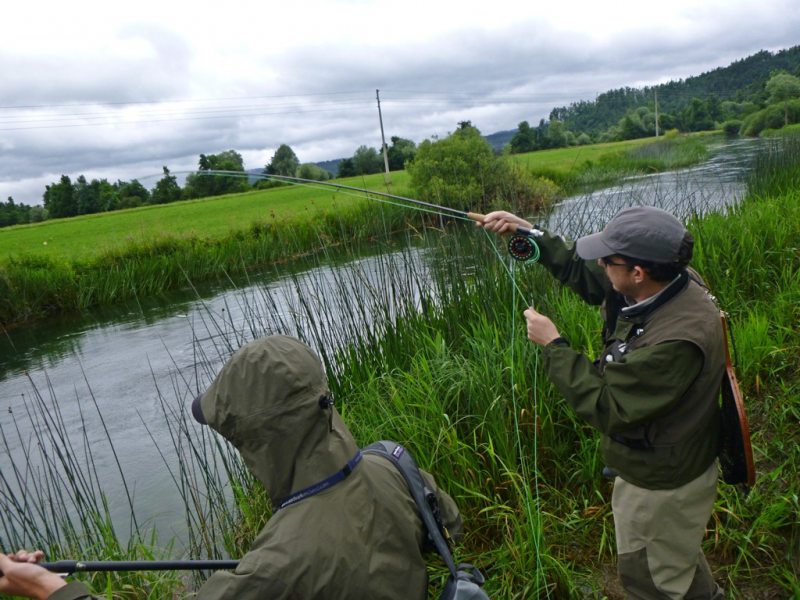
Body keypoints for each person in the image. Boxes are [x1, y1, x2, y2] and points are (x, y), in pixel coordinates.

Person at [0, 334, 462, 600]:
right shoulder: (395, 466)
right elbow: (449, 522)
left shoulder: (276, 565)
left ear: (260, 440)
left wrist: (47, 587)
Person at [482, 206, 725, 600]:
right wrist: (529, 233)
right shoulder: (667, 281)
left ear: (637, 273)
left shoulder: (674, 342)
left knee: (651, 579)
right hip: (672, 464)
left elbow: (609, 407)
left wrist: (554, 346)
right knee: (674, 557)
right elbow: (589, 276)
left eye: (608, 258)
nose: (599, 262)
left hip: (661, 483)